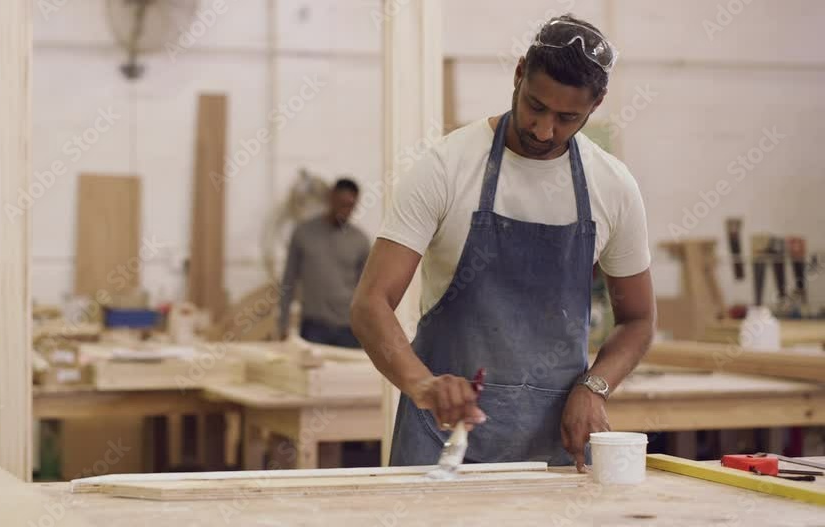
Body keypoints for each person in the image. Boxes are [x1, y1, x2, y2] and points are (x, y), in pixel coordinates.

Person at [350, 15, 656, 470]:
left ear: (597, 105)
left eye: (567, 117)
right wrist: (423, 386)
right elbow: (370, 303)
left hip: (554, 448)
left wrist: (594, 387)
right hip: (441, 441)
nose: (543, 130)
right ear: (518, 74)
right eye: (535, 105)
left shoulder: (612, 186)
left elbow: (638, 320)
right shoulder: (446, 167)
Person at [279, 178, 371, 348]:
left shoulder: (360, 241)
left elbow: (367, 290)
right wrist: (283, 324)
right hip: (314, 326)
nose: (345, 210)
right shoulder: (303, 234)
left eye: (350, 205)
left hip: (348, 328)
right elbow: (288, 281)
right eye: (341, 204)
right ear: (331, 199)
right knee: (313, 374)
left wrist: (369, 331)